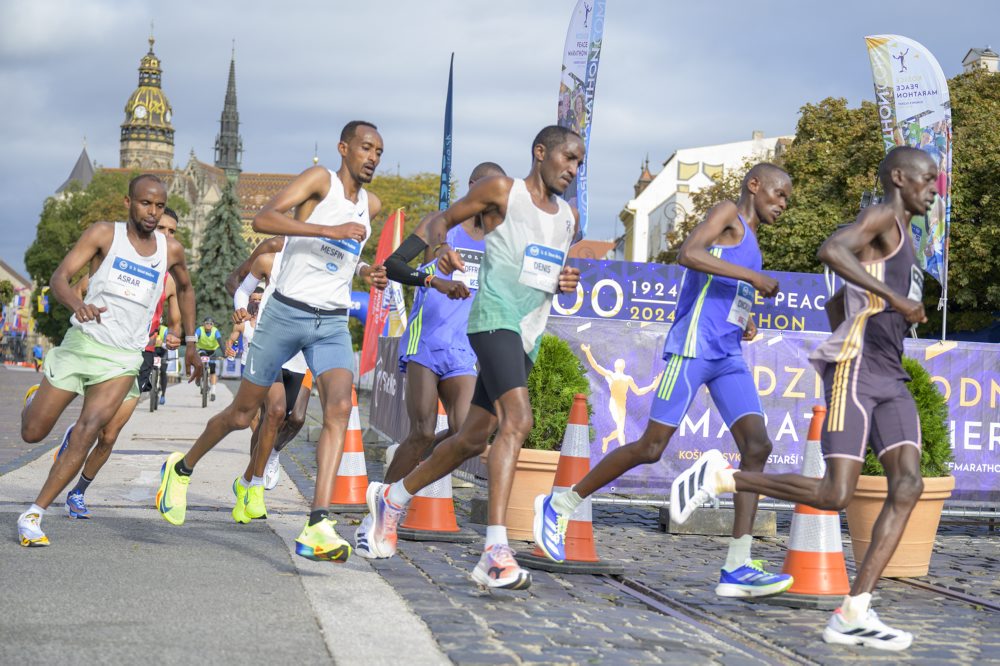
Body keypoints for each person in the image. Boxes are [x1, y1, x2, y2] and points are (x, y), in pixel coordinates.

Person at [670, 146, 935, 651]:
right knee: (836, 493)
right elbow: (832, 251)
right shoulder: (881, 217)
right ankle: (723, 478)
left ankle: (855, 611)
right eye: (926, 179)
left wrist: (878, 312)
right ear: (900, 178)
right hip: (855, 373)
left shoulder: (908, 240)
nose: (933, 189)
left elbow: (838, 297)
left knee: (908, 484)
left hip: (890, 375)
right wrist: (894, 303)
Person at [534, 164, 793, 598]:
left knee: (758, 446)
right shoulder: (728, 212)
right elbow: (689, 253)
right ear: (755, 185)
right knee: (651, 447)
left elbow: (722, 291)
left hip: (727, 353)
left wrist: (743, 320)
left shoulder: (753, 242)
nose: (783, 204)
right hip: (692, 349)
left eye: (786, 199)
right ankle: (560, 504)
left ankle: (738, 565)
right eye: (780, 194)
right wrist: (751, 278)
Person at [155, 120, 387, 564]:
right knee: (244, 415)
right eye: (365, 148)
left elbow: (342, 259)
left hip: (331, 322)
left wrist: (364, 272)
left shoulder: (370, 205)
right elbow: (264, 218)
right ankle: (180, 470)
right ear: (344, 148)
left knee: (339, 407)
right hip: (284, 314)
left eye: (378, 150)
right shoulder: (322, 182)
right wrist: (327, 230)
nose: (372, 156)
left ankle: (319, 521)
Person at [362, 126, 582, 591]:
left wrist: (563, 281)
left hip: (527, 333)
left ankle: (393, 497)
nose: (572, 169)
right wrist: (440, 252)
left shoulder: (568, 217)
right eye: (567, 158)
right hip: (489, 319)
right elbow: (440, 221)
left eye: (579, 162)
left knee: (470, 437)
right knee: (516, 420)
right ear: (540, 152)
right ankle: (495, 553)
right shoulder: (505, 191)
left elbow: (539, 272)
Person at [17, 175, 197, 546]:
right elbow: (60, 278)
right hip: (84, 343)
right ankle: (35, 401)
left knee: (91, 428)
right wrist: (77, 305)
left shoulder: (170, 250)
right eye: (146, 204)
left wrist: (191, 339)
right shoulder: (103, 234)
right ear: (128, 202)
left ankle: (35, 513)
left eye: (159, 206)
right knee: (33, 432)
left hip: (123, 358)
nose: (152, 212)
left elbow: (186, 287)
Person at [355, 162, 505, 557]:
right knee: (421, 431)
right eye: (483, 191)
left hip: (464, 349)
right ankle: (380, 512)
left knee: (465, 435)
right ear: (473, 190)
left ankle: (391, 493)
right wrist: (433, 280)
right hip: (426, 341)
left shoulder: (501, 241)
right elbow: (393, 266)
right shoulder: (440, 226)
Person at [51, 207, 185, 519]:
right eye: (162, 228)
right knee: (94, 422)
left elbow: (176, 321)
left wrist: (176, 336)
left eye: (173, 232)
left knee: (110, 434)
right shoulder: (118, 263)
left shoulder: (168, 282)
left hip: (141, 355)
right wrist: (83, 309)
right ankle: (72, 430)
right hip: (102, 347)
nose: (167, 236)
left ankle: (79, 491)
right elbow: (78, 289)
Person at [225, 237, 314, 522]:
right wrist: (245, 315)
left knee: (295, 417)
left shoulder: (328, 251)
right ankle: (254, 487)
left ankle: (255, 471)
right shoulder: (271, 247)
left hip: (302, 348)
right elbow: (238, 283)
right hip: (266, 340)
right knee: (271, 414)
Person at [194, 317, 224, 400]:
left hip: (212, 351)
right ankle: (198, 377)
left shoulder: (215, 331)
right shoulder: (199, 329)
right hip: (202, 350)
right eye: (206, 323)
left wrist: (224, 353)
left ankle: (213, 391)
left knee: (213, 370)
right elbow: (195, 338)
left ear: (213, 325)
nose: (208, 325)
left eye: (210, 324)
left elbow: (220, 343)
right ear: (203, 324)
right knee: (200, 363)